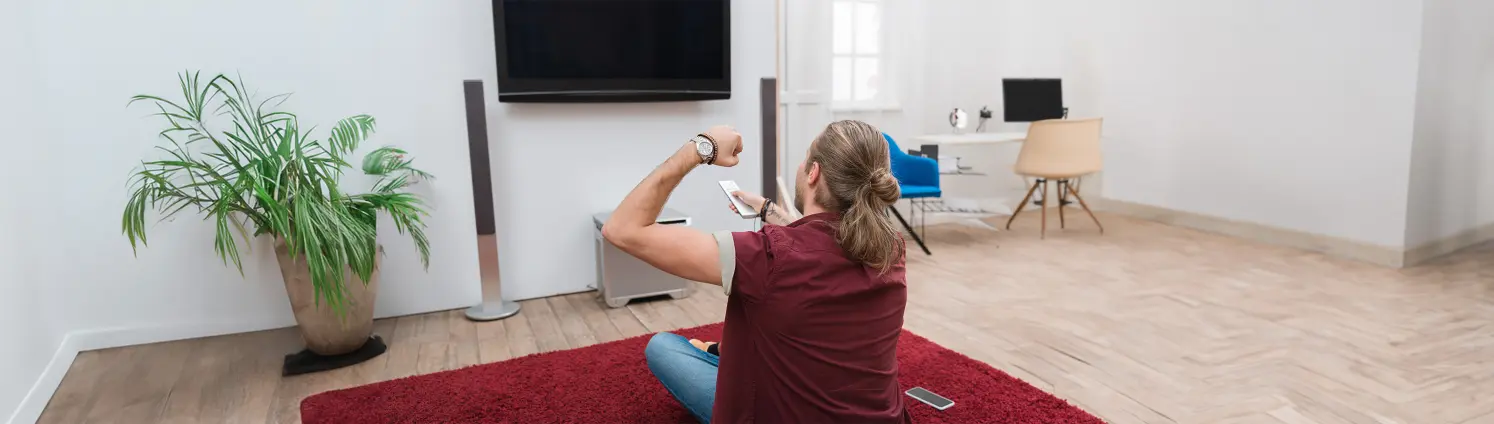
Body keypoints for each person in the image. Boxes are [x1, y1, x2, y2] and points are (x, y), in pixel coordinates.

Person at [601, 120, 911, 423]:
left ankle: (719, 352)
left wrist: (699, 147)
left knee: (663, 347)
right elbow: (818, 244)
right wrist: (766, 209)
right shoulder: (892, 250)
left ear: (814, 172)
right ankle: (718, 350)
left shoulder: (766, 257)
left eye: (806, 158)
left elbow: (622, 230)